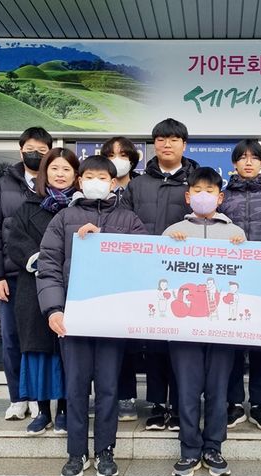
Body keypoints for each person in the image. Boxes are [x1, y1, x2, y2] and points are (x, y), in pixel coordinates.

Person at [37, 155, 147, 476]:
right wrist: (54, 310)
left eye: (103, 177)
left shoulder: (129, 220)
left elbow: (143, 261)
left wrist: (105, 239)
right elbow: (48, 268)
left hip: (111, 319)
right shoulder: (62, 218)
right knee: (75, 387)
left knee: (109, 387)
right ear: (80, 181)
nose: (96, 182)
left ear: (114, 183)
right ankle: (76, 453)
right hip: (74, 319)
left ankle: (105, 451)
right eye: (89, 176)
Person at [162, 167, 246, 476]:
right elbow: (159, 271)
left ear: (220, 197)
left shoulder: (235, 233)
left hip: (222, 327)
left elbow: (247, 276)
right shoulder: (172, 231)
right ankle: (188, 449)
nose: (203, 196)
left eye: (210, 191)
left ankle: (213, 447)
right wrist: (170, 244)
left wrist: (243, 249)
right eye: (197, 190)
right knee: (187, 388)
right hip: (183, 326)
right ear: (187, 197)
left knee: (217, 389)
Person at [120, 118, 199, 431]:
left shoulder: (197, 180)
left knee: (183, 343)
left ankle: (181, 404)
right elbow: (121, 222)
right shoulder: (137, 184)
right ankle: (156, 404)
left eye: (174, 139)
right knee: (153, 343)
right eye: (161, 139)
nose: (167, 144)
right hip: (148, 275)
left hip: (187, 276)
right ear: (154, 144)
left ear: (184, 144)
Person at [0, 126, 52, 421]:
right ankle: (18, 397)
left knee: (38, 338)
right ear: (20, 150)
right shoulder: (1, 186)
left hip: (46, 277)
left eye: (42, 150)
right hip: (11, 276)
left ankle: (39, 397)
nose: (35, 154)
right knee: (11, 339)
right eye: (30, 149)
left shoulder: (53, 186)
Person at [6, 147, 78, 435]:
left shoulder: (82, 208)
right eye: (54, 169)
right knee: (38, 351)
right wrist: (40, 259)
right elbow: (15, 242)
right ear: (45, 172)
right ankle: (41, 411)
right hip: (34, 288)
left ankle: (64, 409)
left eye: (67, 170)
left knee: (66, 352)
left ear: (76, 175)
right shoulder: (27, 207)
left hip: (73, 289)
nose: (60, 175)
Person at [218, 139, 261, 431]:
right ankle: (233, 403)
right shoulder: (222, 197)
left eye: (254, 158)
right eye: (242, 158)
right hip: (228, 281)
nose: (248, 162)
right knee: (231, 346)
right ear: (234, 163)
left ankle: (259, 404)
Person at [100, 136, 142, 422]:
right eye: (112, 154)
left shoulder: (139, 186)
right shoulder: (96, 189)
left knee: (128, 340)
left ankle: (127, 395)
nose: (118, 158)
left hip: (134, 273)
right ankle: (106, 396)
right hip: (103, 277)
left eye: (123, 154)